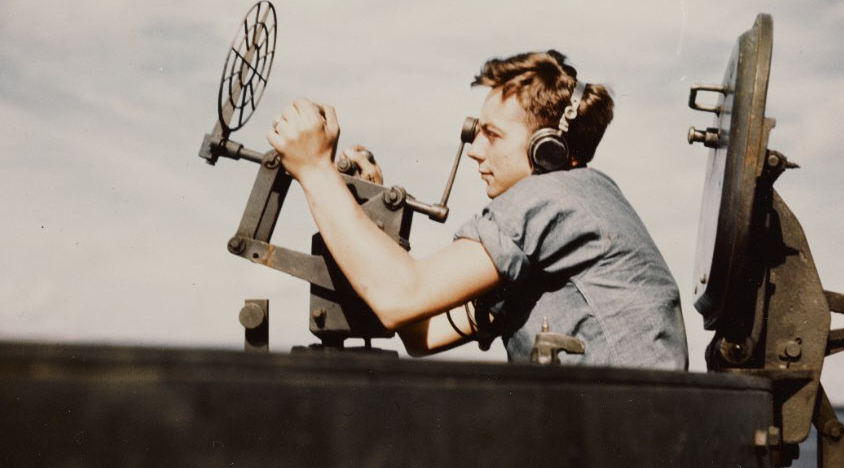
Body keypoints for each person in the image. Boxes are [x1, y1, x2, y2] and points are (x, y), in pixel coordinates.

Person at [266, 50, 688, 370]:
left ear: (549, 149)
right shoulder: (578, 208)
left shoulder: (552, 197)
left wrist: (315, 169)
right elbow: (421, 332)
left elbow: (398, 297)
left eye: (493, 135)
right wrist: (369, 208)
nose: (476, 150)